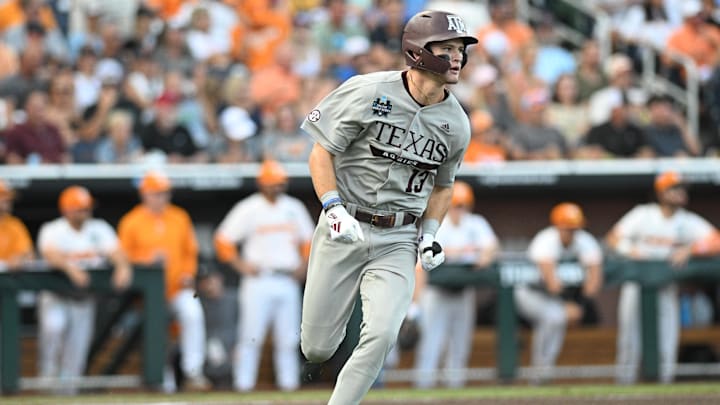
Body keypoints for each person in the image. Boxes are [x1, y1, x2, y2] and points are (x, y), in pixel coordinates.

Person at [298, 10, 477, 405]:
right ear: (417, 52)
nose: (457, 57)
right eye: (446, 48)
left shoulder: (457, 124)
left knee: (381, 335)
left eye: (460, 49)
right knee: (317, 348)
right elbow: (320, 152)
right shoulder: (367, 90)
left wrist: (429, 234)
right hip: (344, 224)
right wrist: (333, 208)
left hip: (399, 236)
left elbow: (444, 187)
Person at [606, 171, 720, 384]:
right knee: (629, 338)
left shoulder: (687, 221)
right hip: (637, 284)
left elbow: (716, 240)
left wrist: (692, 248)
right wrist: (630, 250)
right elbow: (613, 238)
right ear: (661, 192)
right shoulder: (643, 214)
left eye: (682, 188)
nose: (680, 192)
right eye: (675, 188)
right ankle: (624, 384)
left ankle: (664, 387)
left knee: (667, 337)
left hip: (666, 285)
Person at [214, 160, 315, 392]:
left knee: (288, 339)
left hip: (287, 279)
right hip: (258, 280)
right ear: (261, 184)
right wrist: (239, 265)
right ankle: (243, 385)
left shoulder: (293, 207)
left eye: (279, 184)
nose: (276, 188)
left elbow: (310, 240)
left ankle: (289, 387)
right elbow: (222, 239)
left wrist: (303, 265)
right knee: (251, 337)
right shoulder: (249, 208)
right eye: (271, 184)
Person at [117, 171, 210, 391]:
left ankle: (193, 372)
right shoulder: (131, 221)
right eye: (157, 193)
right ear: (145, 194)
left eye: (165, 193)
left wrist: (188, 273)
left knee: (192, 311)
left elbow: (190, 252)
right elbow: (122, 257)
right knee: (157, 332)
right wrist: (146, 259)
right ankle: (162, 380)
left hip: (177, 287)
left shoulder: (179, 216)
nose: (162, 197)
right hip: (147, 295)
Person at [36, 185, 132, 393]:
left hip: (84, 298)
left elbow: (115, 250)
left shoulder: (98, 228)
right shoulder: (53, 229)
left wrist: (123, 266)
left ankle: (70, 393)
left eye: (87, 208)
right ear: (67, 210)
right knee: (54, 328)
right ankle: (47, 381)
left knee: (77, 348)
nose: (85, 212)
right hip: (56, 296)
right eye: (80, 208)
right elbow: (49, 253)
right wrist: (71, 269)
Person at [413, 181, 499, 389]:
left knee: (460, 343)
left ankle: (455, 389)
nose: (458, 210)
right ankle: (423, 388)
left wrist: (484, 255)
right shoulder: (435, 223)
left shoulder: (475, 223)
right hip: (435, 294)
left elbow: (492, 246)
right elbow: (425, 258)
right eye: (455, 205)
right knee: (433, 342)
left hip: (462, 293)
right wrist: (464, 252)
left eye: (462, 206)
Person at [514, 202, 603, 384]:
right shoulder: (546, 240)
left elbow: (594, 280)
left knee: (558, 317)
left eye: (574, 228)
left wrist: (580, 306)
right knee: (555, 316)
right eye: (567, 228)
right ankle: (539, 374)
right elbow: (551, 282)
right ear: (557, 226)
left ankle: (544, 372)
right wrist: (568, 305)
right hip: (530, 292)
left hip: (560, 298)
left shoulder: (585, 241)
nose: (571, 232)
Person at [0, 179, 33, 271]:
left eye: (9, 198)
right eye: (3, 196)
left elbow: (29, 254)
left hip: (7, 279)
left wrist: (21, 258)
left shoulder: (15, 225)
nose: (8, 200)